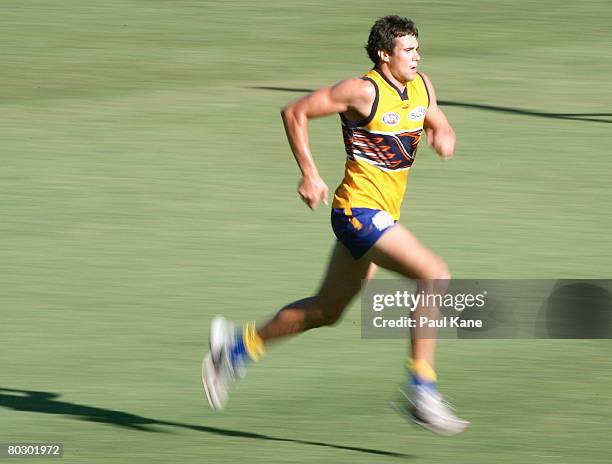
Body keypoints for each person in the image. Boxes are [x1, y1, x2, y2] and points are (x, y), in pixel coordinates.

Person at [202, 15, 469, 435]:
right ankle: (422, 388)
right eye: (409, 50)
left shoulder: (421, 85)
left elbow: (433, 116)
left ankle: (235, 348)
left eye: (418, 49)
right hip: (357, 212)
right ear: (385, 55)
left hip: (383, 215)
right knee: (434, 274)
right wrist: (310, 173)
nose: (417, 57)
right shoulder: (361, 91)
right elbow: (295, 112)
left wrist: (444, 134)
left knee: (326, 312)